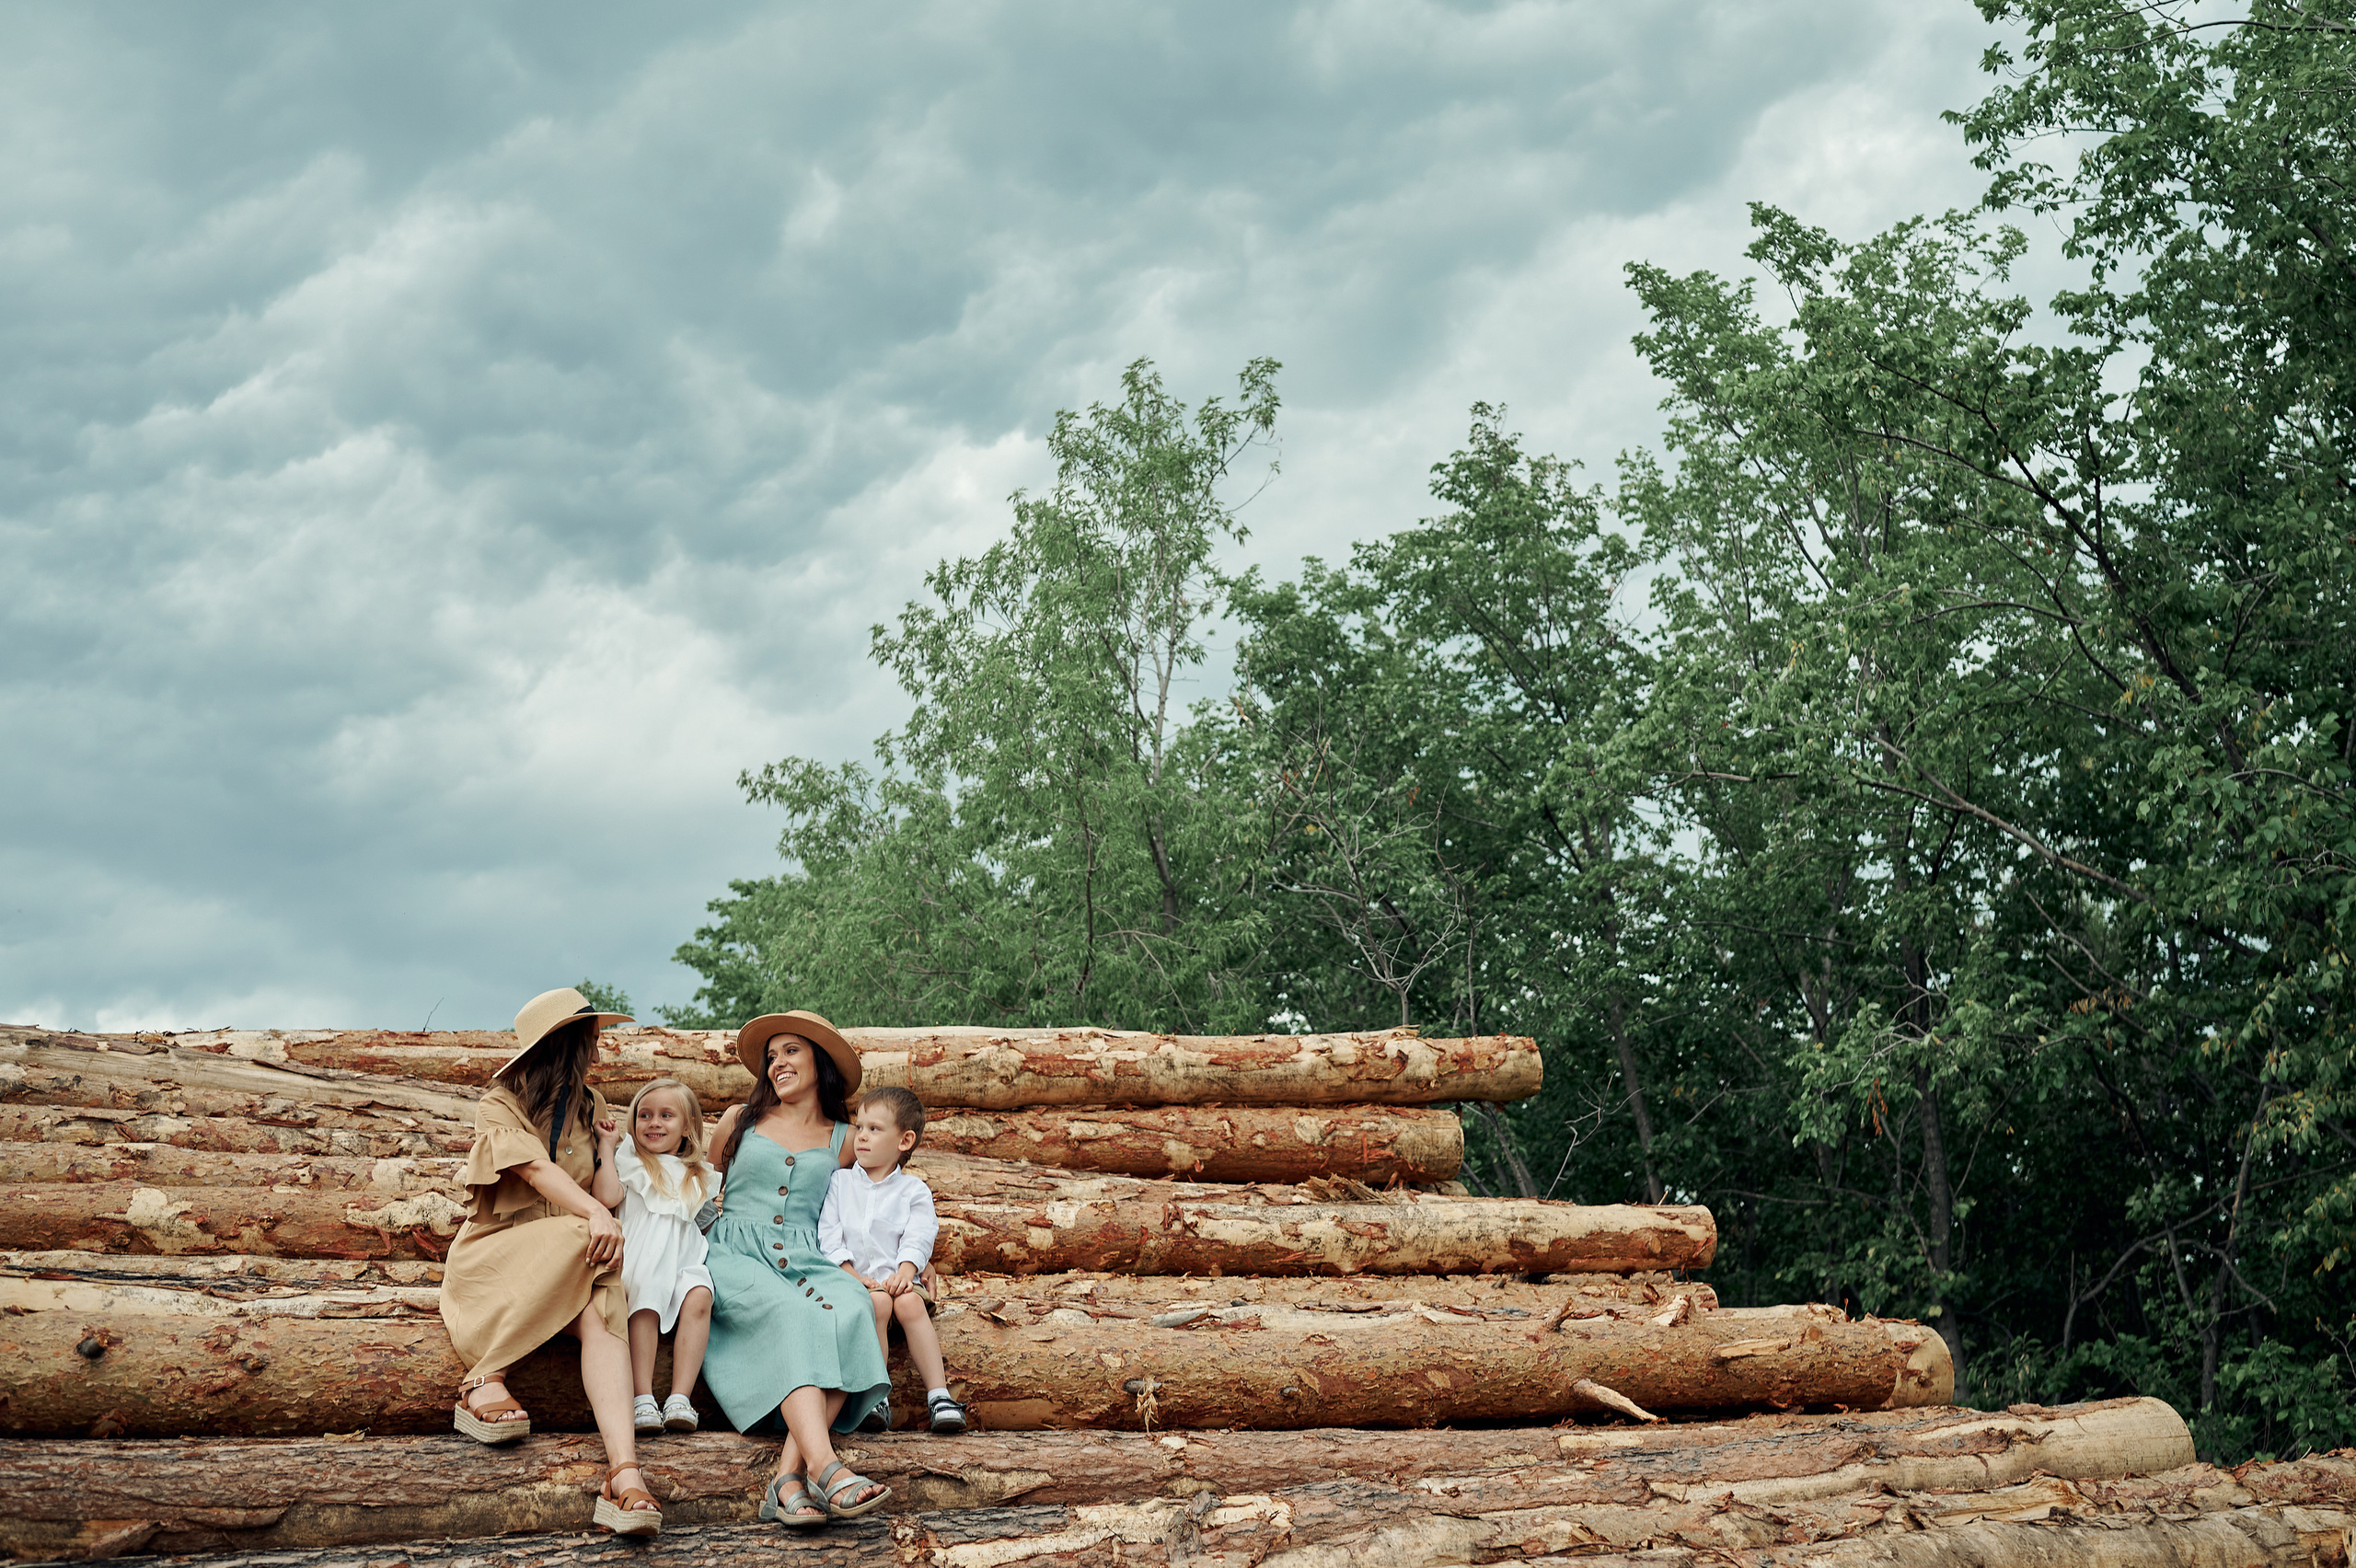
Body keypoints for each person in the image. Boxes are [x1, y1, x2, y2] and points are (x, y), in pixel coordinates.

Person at [439, 987, 662, 1537]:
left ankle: (624, 1473)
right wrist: (596, 1215)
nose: (598, 1052)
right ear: (565, 1044)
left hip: (571, 1257)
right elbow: (537, 1173)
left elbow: (604, 1196)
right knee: (585, 1237)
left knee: (605, 1306)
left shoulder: (594, 1106)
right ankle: (483, 1378)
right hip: (499, 1254)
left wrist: (606, 1155)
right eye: (591, 1041)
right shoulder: (500, 1104)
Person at [701, 1011, 894, 1528]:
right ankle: (826, 1467)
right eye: (771, 1056)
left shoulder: (847, 1139)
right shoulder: (738, 1121)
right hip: (735, 1253)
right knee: (795, 1314)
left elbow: (877, 1206)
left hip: (810, 1256)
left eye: (790, 1051)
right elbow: (694, 1188)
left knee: (853, 1309)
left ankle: (788, 1478)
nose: (777, 1063)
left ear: (819, 1061)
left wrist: (918, 1262)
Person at [819, 1086, 967, 1435]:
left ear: (905, 1140)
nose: (861, 1136)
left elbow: (919, 1233)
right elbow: (829, 1232)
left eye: (874, 1129)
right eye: (859, 1126)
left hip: (901, 1279)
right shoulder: (840, 1182)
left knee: (909, 1305)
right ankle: (876, 1396)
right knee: (878, 1304)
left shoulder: (913, 1191)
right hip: (854, 1284)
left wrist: (907, 1269)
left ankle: (939, 1396)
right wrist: (849, 1272)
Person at [613, 1078, 716, 1435]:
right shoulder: (630, 1162)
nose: (654, 1123)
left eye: (666, 1116)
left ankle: (679, 1398)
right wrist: (606, 1147)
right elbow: (607, 1196)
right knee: (647, 1293)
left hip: (684, 1261)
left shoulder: (697, 1175)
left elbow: (707, 1225)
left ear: (687, 1126)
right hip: (642, 1258)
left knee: (701, 1295)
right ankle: (642, 1396)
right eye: (645, 1115)